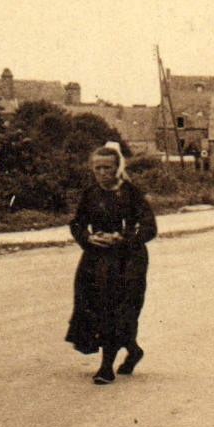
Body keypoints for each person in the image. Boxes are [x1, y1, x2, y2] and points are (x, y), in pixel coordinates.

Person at [65, 143, 157, 384]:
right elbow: (77, 224)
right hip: (96, 259)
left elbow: (149, 228)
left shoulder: (131, 193)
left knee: (120, 311)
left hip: (128, 260)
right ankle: (133, 350)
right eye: (97, 169)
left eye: (107, 168)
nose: (102, 173)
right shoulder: (91, 194)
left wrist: (122, 238)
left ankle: (106, 367)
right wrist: (88, 237)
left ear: (117, 168)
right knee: (96, 308)